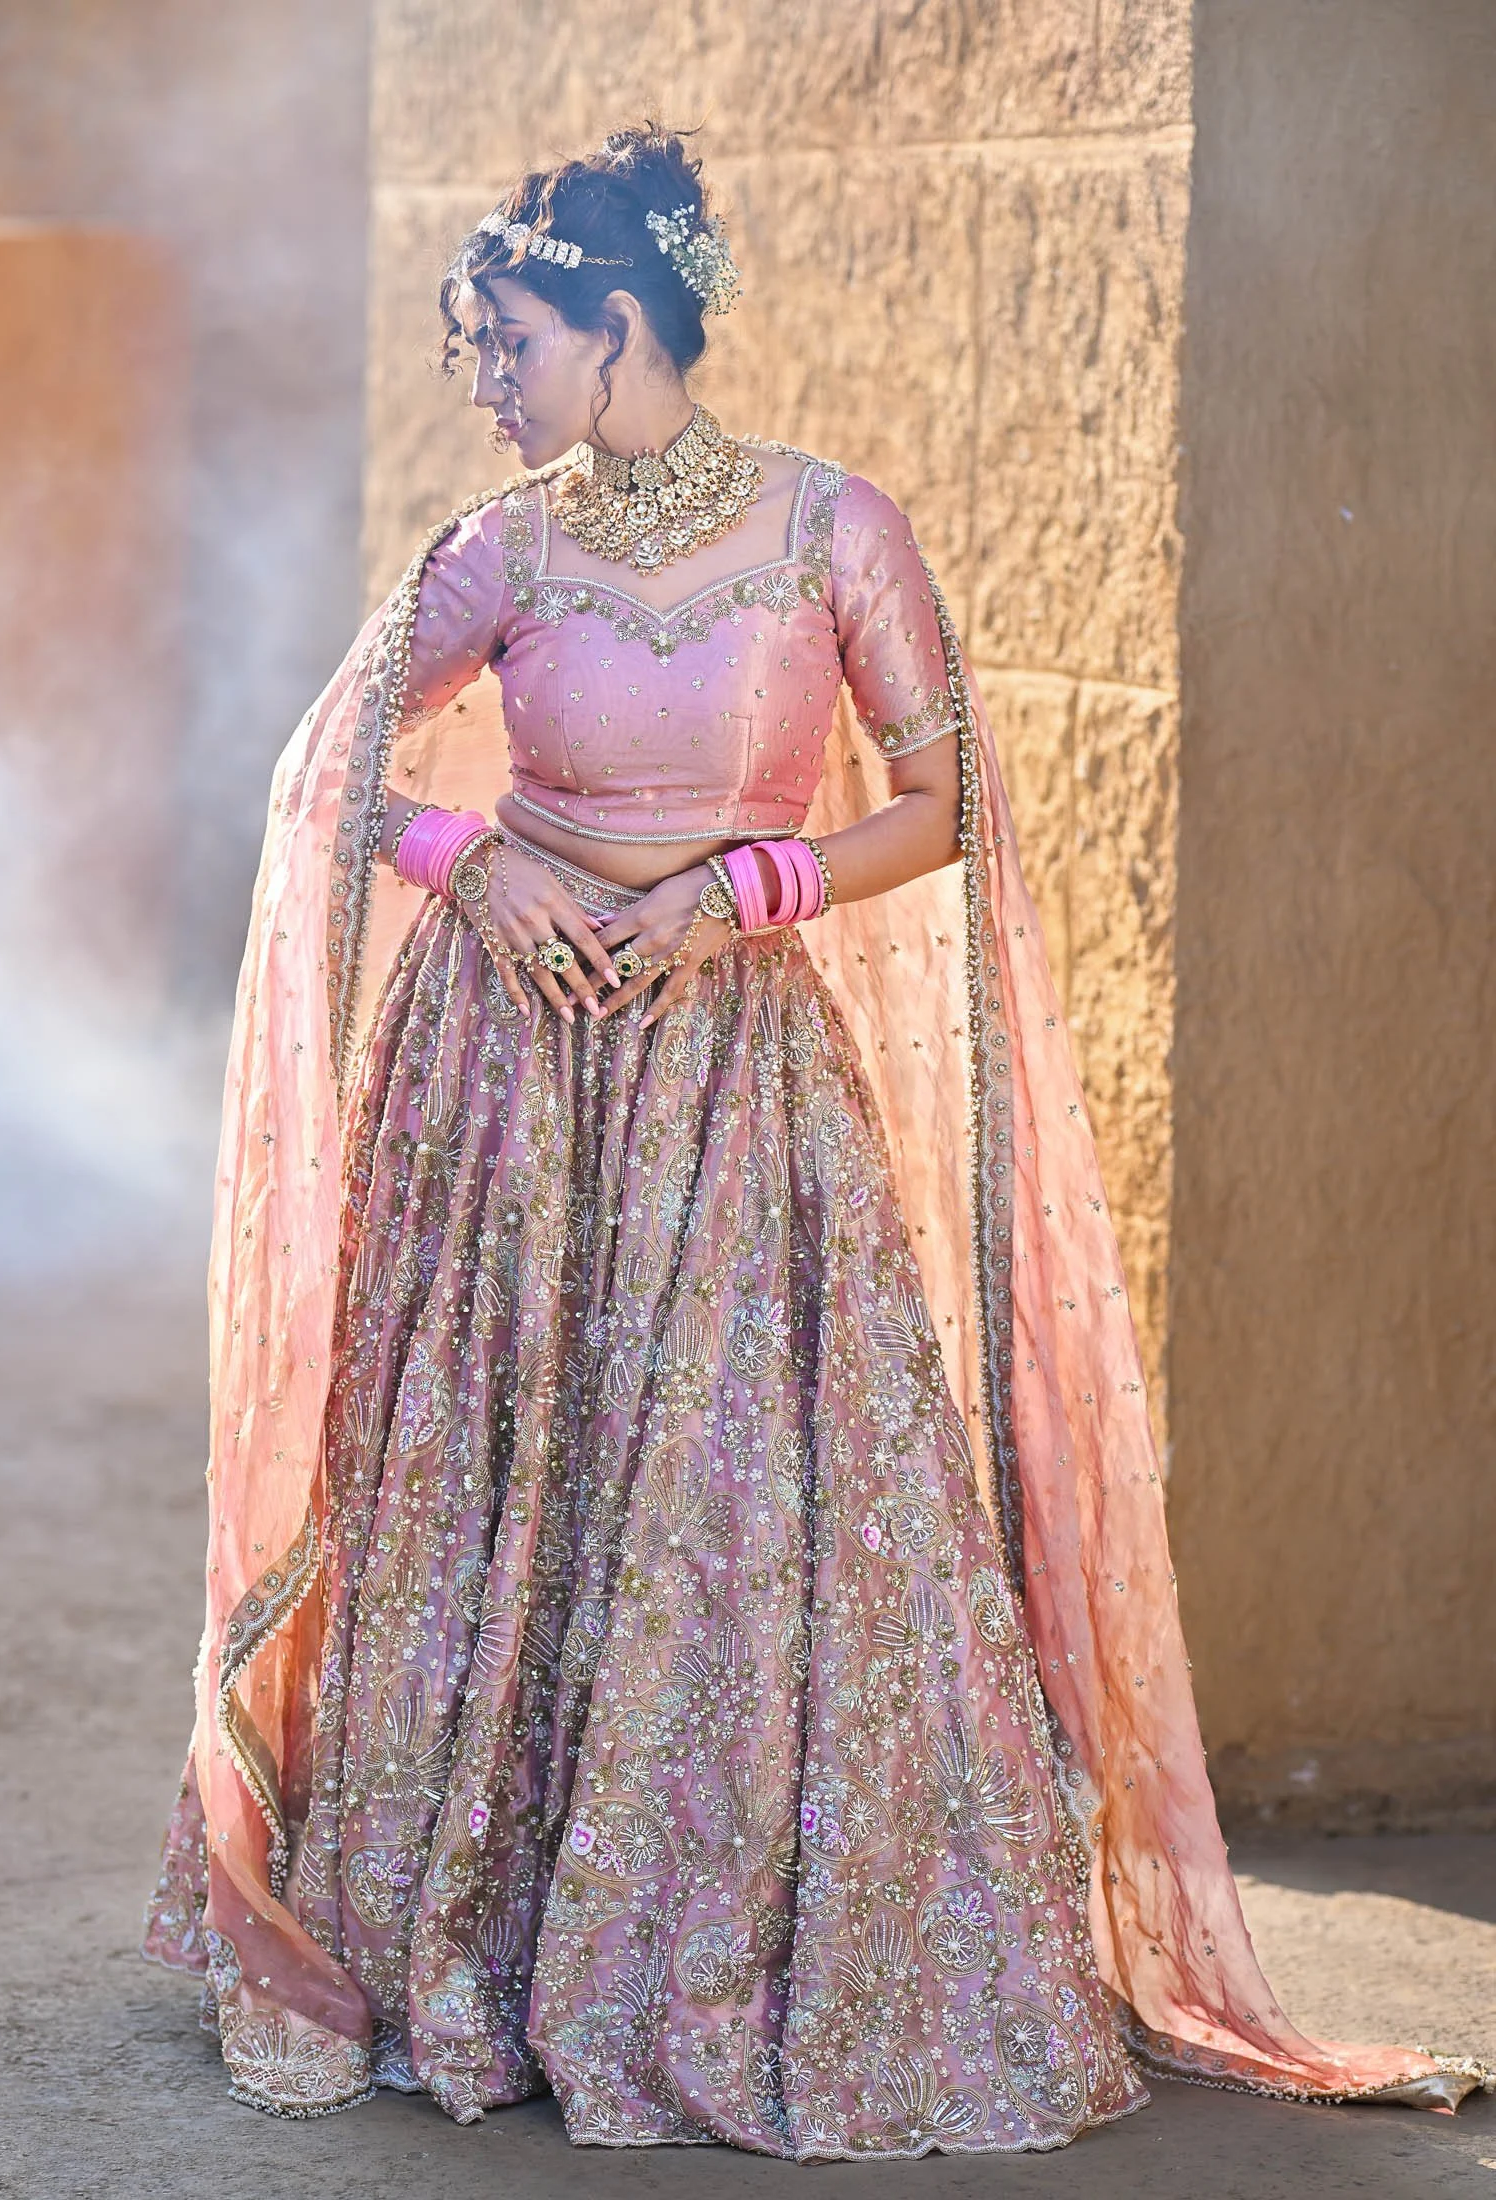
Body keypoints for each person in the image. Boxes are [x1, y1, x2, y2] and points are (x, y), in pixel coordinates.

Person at [142, 122, 1486, 2155]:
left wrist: (741, 890)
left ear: (619, 322)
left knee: (735, 1502)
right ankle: (487, 1938)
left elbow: (942, 803)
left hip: (733, 1081)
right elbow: (322, 779)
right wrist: (476, 866)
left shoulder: (838, 532)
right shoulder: (501, 550)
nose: (485, 382)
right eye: (473, 349)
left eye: (506, 338)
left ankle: (698, 1936)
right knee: (509, 1494)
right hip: (510, 1088)